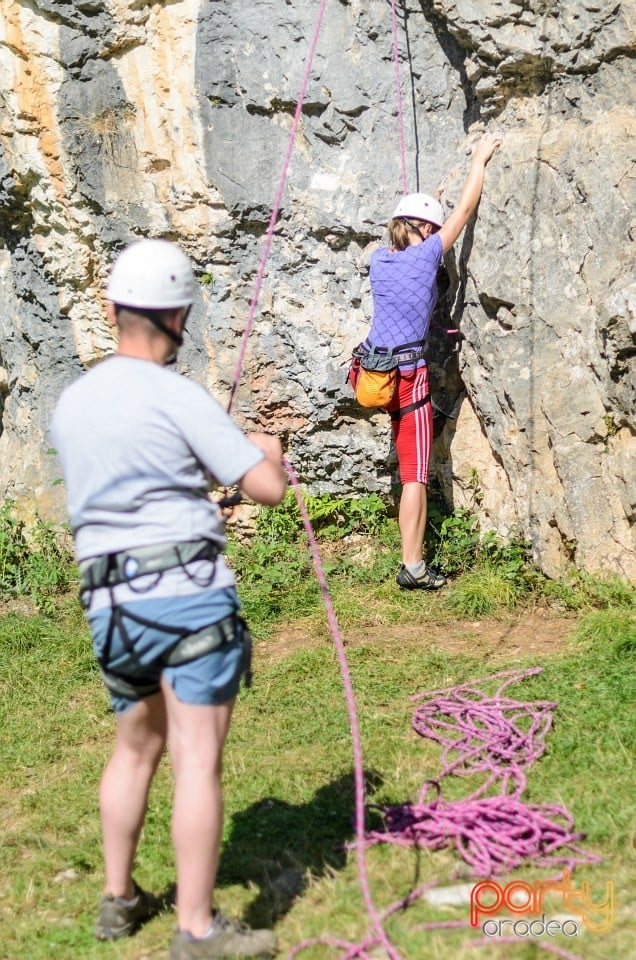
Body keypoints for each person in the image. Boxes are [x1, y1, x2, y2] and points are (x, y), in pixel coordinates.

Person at [50, 238, 287, 959]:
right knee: (195, 759)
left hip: (110, 609)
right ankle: (197, 928)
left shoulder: (74, 401)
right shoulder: (178, 394)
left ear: (117, 308)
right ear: (178, 314)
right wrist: (268, 447)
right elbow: (265, 488)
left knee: (134, 748)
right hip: (186, 599)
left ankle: (119, 901)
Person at [354, 133, 502, 591]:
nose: (437, 236)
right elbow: (463, 212)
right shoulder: (426, 258)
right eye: (431, 230)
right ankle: (413, 566)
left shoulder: (379, 260)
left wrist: (424, 207)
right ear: (423, 232)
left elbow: (422, 226)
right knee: (414, 473)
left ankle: (412, 558)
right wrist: (479, 159)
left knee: (405, 455)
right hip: (410, 379)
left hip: (372, 373)